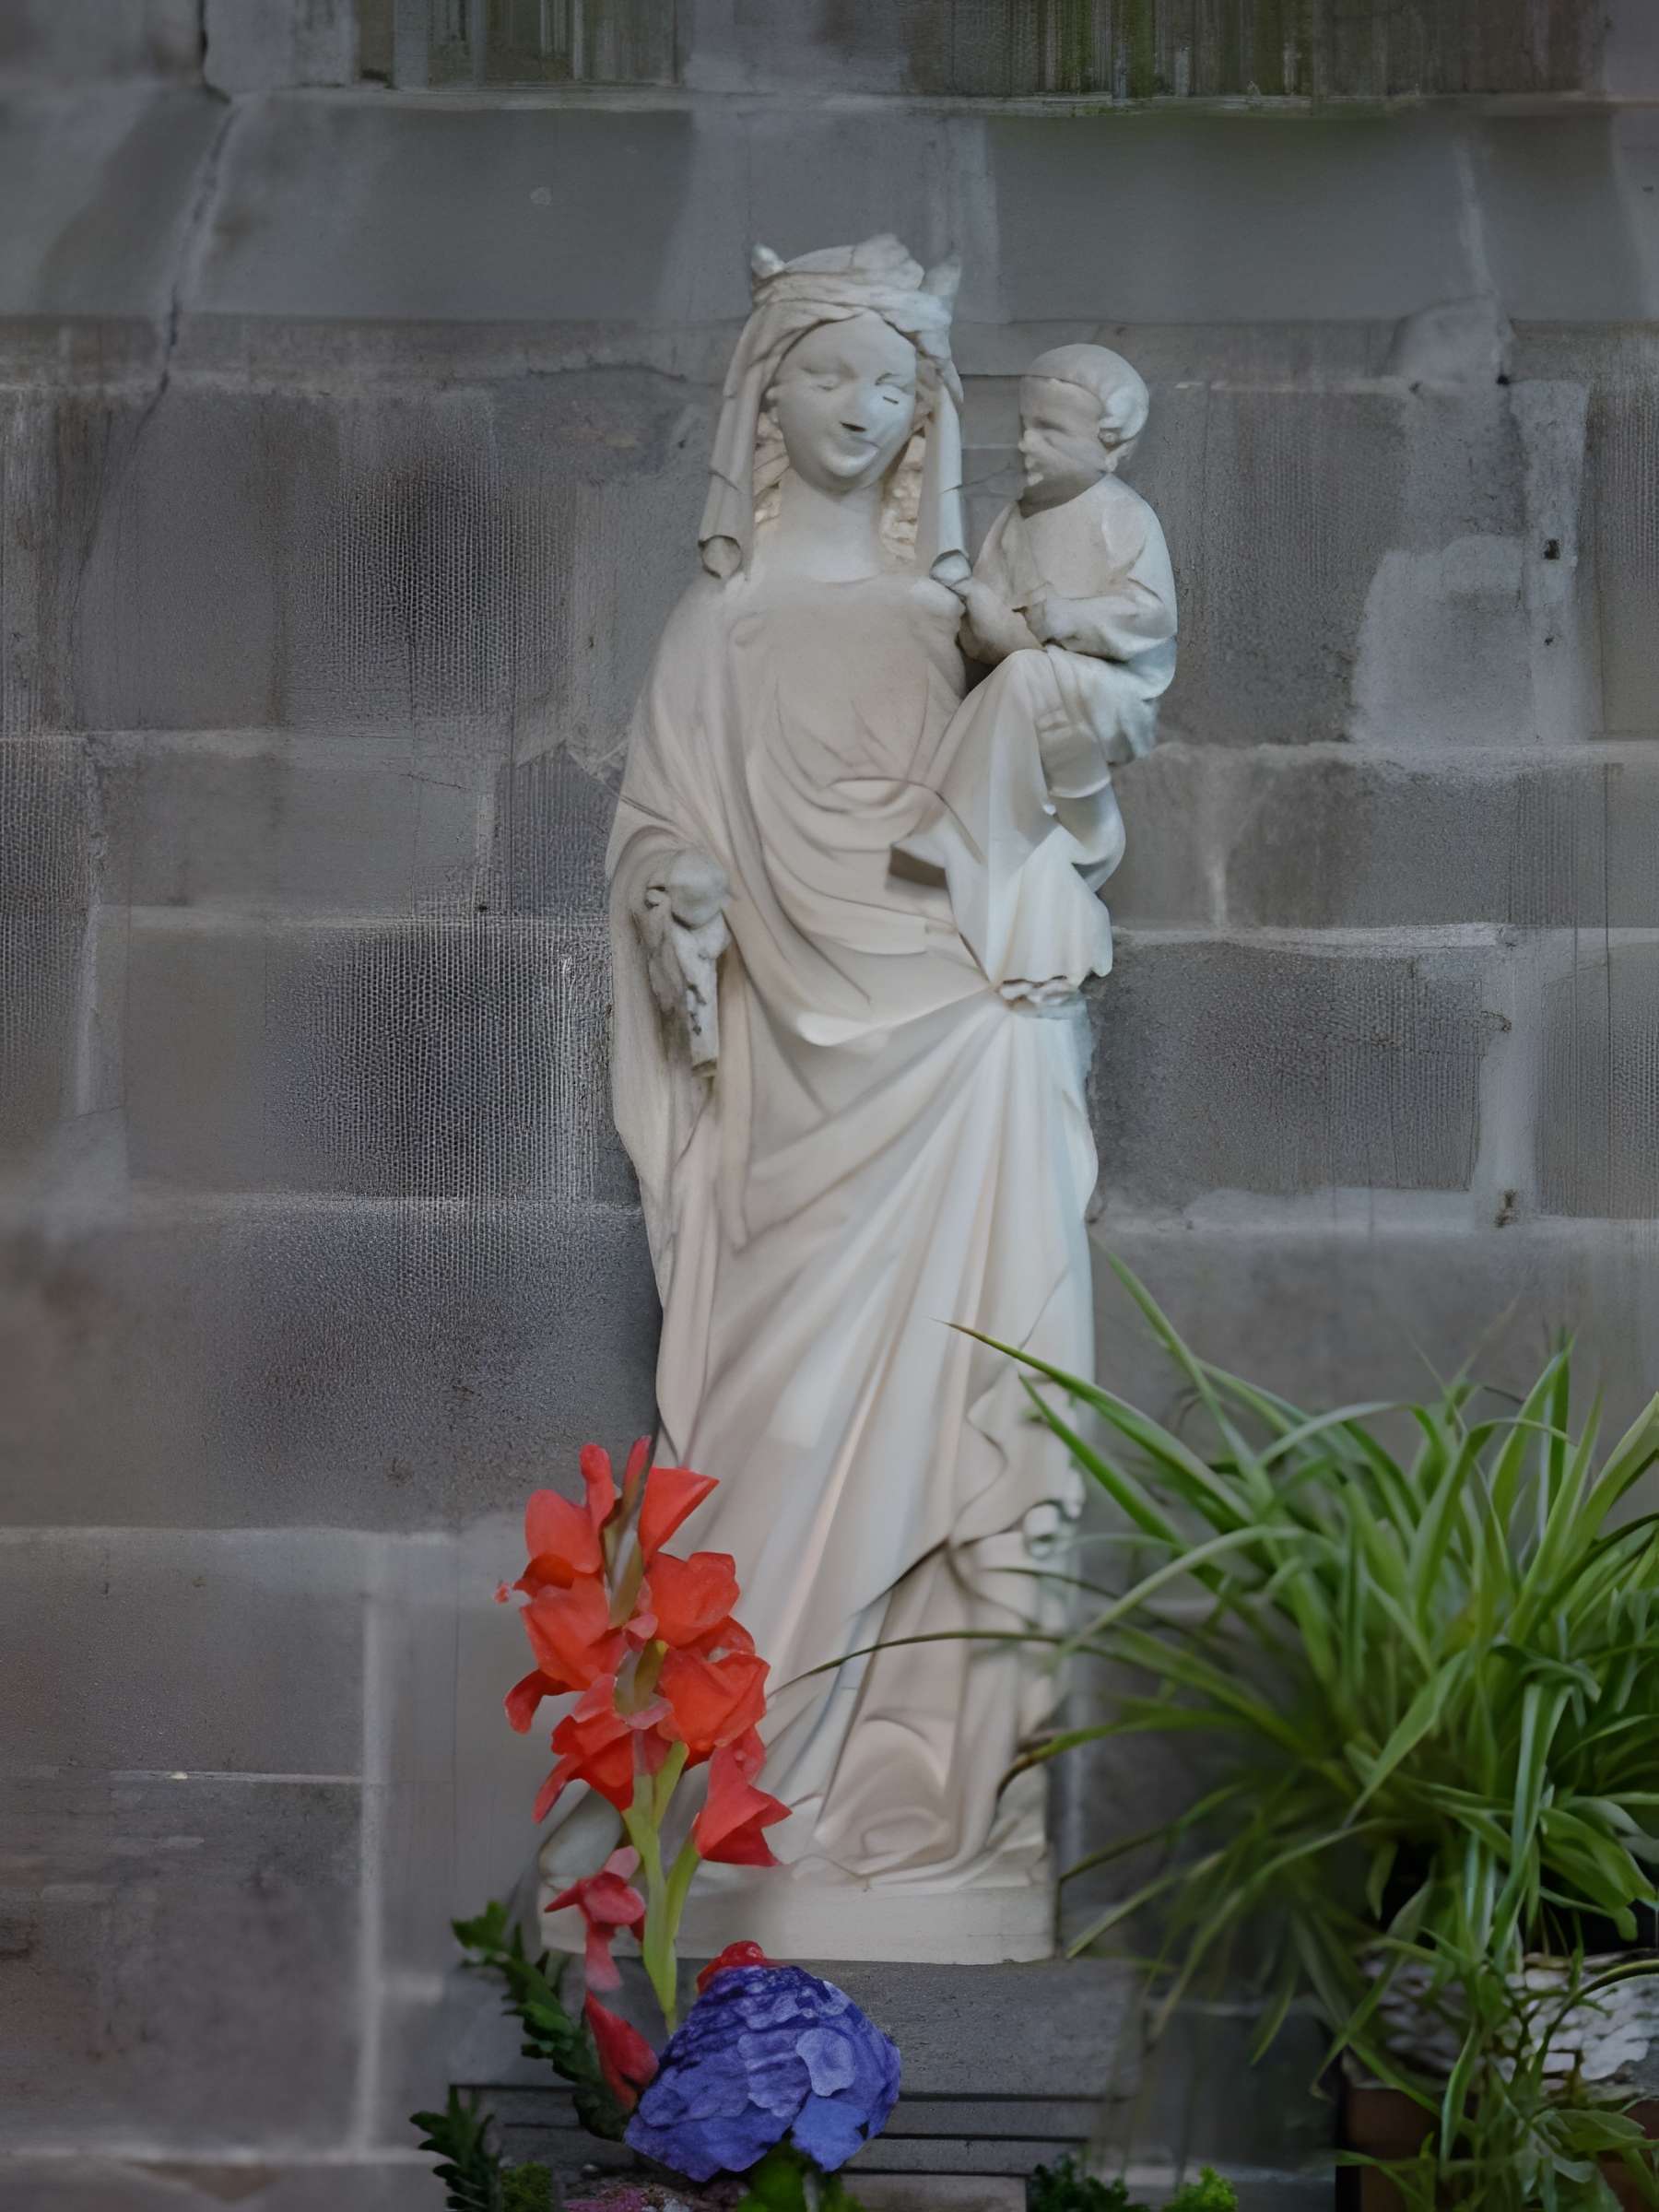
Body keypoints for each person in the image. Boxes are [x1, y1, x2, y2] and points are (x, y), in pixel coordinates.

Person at [585, 240, 1105, 1961]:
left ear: (927, 419)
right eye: (830, 377)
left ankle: (928, 1802)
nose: (864, 411)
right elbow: (661, 824)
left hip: (953, 1053)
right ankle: (739, 1792)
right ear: (765, 396)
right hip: (795, 1079)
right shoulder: (715, 629)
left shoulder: (953, 625)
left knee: (964, 1406)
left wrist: (1066, 725)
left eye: (894, 386)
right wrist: (676, 897)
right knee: (779, 1429)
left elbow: (1031, 814)